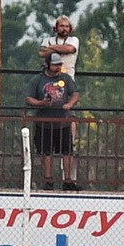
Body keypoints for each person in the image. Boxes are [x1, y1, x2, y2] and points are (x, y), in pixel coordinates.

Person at [25, 52, 80, 191]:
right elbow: (28, 98)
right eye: (55, 65)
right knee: (46, 152)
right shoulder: (38, 79)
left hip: (63, 121)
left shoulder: (65, 78)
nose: (58, 67)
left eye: (59, 64)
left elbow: (75, 93)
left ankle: (68, 180)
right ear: (48, 65)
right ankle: (48, 180)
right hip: (44, 122)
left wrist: (70, 104)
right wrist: (41, 103)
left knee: (67, 152)